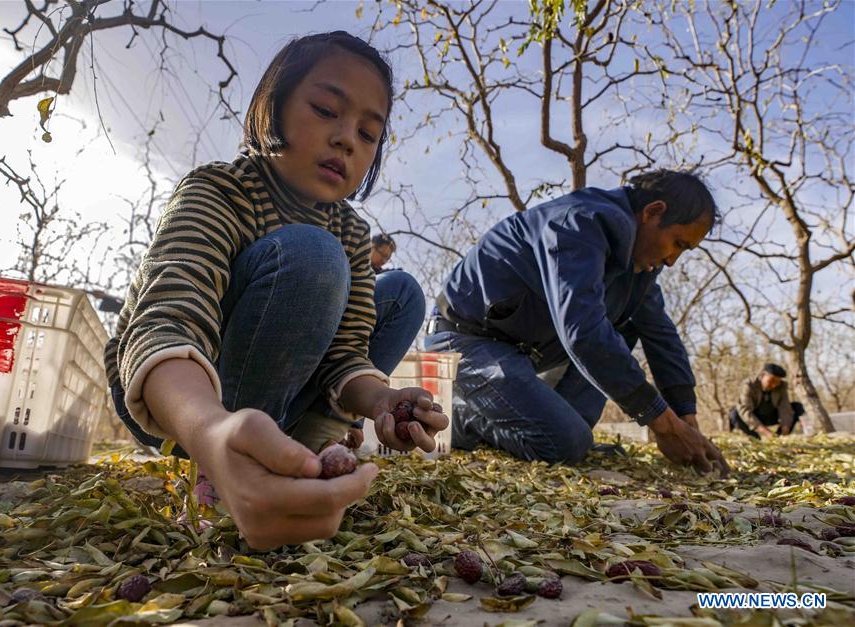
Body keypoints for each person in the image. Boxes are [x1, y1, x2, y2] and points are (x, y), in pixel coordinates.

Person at [104, 32, 446, 550]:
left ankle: (302, 450)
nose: (346, 139)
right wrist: (212, 430)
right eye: (326, 109)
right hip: (183, 402)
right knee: (311, 256)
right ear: (273, 108)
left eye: (368, 133)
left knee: (401, 293)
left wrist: (382, 402)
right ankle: (227, 468)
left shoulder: (352, 232)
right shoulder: (218, 191)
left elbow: (345, 355)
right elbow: (167, 323)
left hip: (286, 385)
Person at [425, 169, 729, 476]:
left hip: (522, 351)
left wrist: (686, 418)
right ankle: (455, 420)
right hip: (463, 340)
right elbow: (582, 331)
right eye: (678, 243)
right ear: (653, 212)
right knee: (563, 444)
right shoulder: (579, 222)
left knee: (624, 331)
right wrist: (663, 423)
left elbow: (660, 333)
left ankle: (568, 429)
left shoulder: (638, 269)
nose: (672, 260)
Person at [728, 363, 804, 438]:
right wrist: (764, 431)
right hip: (755, 416)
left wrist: (786, 426)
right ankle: (754, 437)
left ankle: (779, 436)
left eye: (777, 382)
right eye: (771, 381)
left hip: (771, 416)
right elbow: (745, 410)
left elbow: (785, 407)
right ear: (763, 375)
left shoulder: (782, 387)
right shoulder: (749, 385)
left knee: (797, 407)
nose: (774, 385)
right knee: (734, 414)